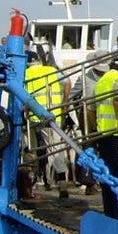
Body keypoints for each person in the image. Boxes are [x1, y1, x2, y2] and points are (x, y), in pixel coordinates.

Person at [25, 52, 72, 200]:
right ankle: (60, 181)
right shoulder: (51, 70)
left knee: (32, 149)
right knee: (55, 148)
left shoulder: (26, 73)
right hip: (54, 115)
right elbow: (68, 82)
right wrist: (65, 103)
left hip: (35, 117)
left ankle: (35, 181)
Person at [92, 58, 118, 220]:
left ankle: (109, 212)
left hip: (103, 135)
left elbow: (91, 110)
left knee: (107, 175)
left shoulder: (100, 82)